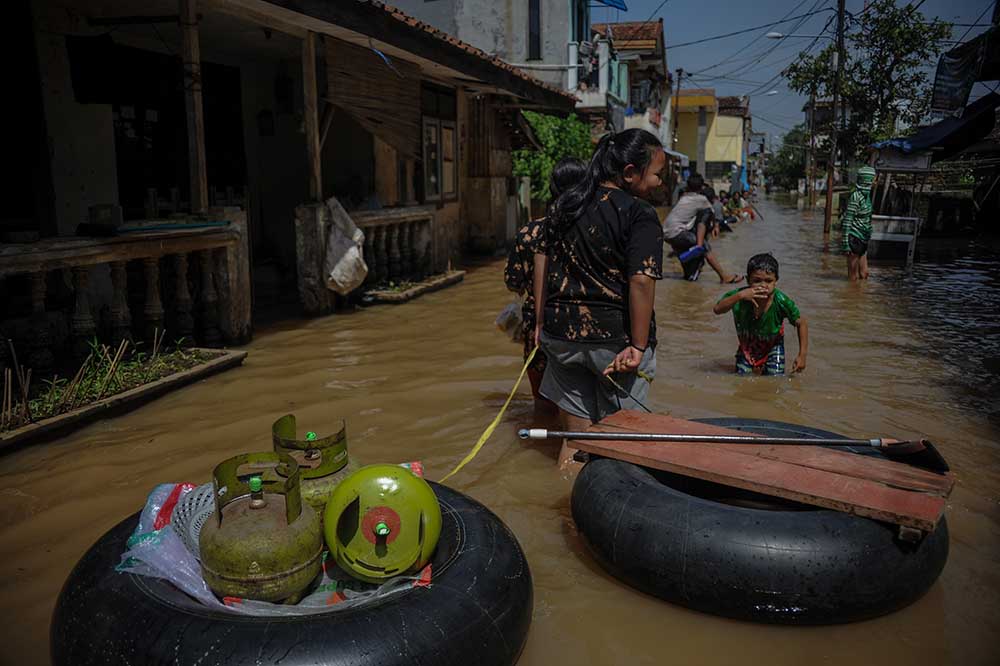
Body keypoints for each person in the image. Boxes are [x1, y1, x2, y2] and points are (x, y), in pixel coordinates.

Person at [539, 129, 665, 467]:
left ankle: (565, 513)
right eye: (655, 174)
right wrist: (638, 347)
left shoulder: (566, 204)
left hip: (561, 336)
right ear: (629, 173)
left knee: (576, 442)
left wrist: (540, 325)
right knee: (620, 448)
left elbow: (544, 265)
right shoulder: (639, 213)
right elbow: (641, 280)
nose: (658, 183)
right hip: (617, 345)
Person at [503, 157, 586, 415]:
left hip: (538, 328)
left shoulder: (531, 232)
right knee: (581, 406)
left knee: (543, 406)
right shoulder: (594, 231)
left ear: (552, 188)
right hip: (586, 328)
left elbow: (513, 282)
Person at [713, 253, 808, 375]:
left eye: (769, 281)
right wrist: (740, 296)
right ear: (748, 280)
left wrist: (802, 355)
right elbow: (717, 309)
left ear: (776, 281)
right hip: (747, 345)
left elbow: (802, 323)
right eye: (757, 281)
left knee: (775, 379)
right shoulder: (740, 296)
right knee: (742, 377)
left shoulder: (781, 301)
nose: (763, 285)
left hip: (773, 345)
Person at [664, 174, 741, 283]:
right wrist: (702, 243)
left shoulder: (684, 197)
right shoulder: (702, 200)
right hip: (678, 232)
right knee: (705, 247)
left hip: (667, 233)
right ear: (701, 188)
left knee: (687, 262)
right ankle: (724, 277)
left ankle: (688, 280)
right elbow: (703, 222)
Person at [841, 166, 877, 281]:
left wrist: (869, 230)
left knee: (864, 274)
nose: (875, 182)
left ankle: (860, 296)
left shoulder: (867, 197)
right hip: (854, 238)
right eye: (873, 179)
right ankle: (850, 297)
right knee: (853, 277)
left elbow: (867, 217)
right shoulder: (856, 196)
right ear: (868, 180)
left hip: (863, 237)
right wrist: (845, 243)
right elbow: (847, 220)